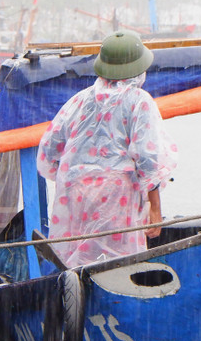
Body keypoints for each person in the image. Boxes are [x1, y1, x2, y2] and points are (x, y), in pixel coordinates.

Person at [37, 30, 179, 267]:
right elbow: (148, 159)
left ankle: (74, 298)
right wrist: (155, 209)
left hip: (75, 191)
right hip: (117, 196)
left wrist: (79, 176)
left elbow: (50, 148)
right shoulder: (139, 100)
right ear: (138, 69)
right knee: (116, 264)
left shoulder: (80, 99)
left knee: (77, 261)